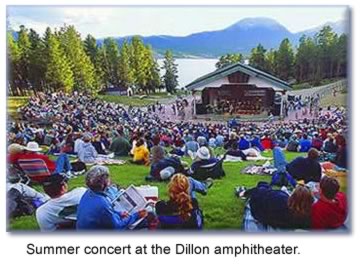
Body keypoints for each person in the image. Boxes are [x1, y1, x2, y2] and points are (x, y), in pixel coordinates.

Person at [76, 165, 148, 230]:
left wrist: (119, 214)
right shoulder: (102, 203)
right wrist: (136, 215)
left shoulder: (88, 193)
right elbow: (117, 226)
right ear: (104, 183)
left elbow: (105, 214)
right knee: (144, 222)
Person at [239, 182, 313, 230]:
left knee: (262, 185)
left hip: (257, 208)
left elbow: (259, 193)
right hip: (263, 211)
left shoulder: (280, 199)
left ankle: (243, 192)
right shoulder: (304, 218)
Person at [8, 141, 73, 178]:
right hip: (50, 174)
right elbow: (52, 166)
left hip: (32, 176)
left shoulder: (19, 158)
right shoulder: (41, 157)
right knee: (63, 155)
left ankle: (68, 171)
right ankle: (68, 172)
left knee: (59, 159)